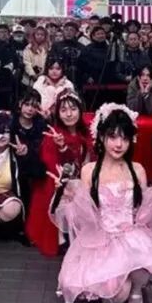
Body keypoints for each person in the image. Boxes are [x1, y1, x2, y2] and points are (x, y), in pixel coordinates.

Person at [54, 105, 152, 303]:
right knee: (116, 292)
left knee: (142, 265)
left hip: (132, 232)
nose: (119, 144)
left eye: (125, 138)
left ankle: (136, 299)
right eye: (113, 137)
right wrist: (72, 197)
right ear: (101, 137)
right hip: (101, 237)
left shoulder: (137, 169)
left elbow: (144, 214)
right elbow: (85, 218)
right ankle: (115, 297)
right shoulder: (89, 170)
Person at [27, 91, 90, 257]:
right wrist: (62, 147)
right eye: (63, 110)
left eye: (73, 109)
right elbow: (52, 168)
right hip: (59, 183)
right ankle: (61, 235)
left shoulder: (86, 134)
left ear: (80, 110)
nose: (69, 114)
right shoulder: (53, 136)